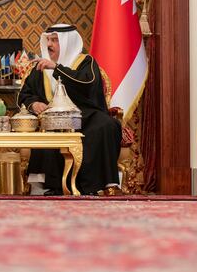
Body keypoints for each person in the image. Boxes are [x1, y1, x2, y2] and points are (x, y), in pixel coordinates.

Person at [17, 23, 122, 195]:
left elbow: (87, 84)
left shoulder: (85, 62)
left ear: (68, 42)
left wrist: (56, 68)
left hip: (85, 115)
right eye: (48, 40)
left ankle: (92, 185)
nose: (49, 45)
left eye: (55, 40)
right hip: (52, 119)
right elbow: (25, 94)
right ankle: (56, 186)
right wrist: (34, 104)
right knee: (50, 130)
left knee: (107, 125)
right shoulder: (41, 67)